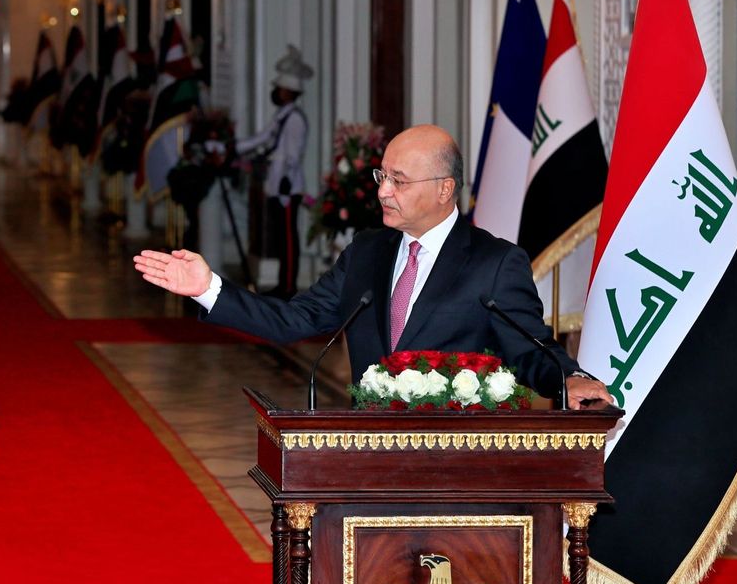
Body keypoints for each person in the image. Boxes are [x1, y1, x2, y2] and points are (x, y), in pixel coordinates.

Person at [134, 124, 612, 409]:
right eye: (383, 176)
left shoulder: (495, 263)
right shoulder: (367, 252)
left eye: (399, 181)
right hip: (368, 455)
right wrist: (208, 287)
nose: (383, 190)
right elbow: (293, 320)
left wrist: (568, 379)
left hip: (458, 467)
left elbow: (530, 351)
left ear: (444, 189)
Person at [235, 45, 313, 300]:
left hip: (286, 187)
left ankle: (289, 285)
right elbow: (264, 138)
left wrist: (284, 184)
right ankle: (283, 282)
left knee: (288, 239)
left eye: (280, 89)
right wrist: (234, 148)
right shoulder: (282, 116)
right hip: (277, 184)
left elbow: (290, 156)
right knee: (281, 238)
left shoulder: (295, 119)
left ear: (289, 92)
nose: (276, 92)